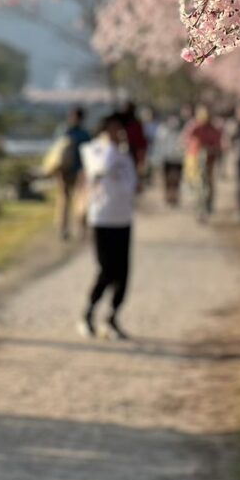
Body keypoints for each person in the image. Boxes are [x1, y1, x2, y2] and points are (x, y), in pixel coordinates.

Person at [78, 113, 137, 340]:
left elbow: (131, 185)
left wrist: (121, 151)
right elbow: (100, 168)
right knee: (106, 269)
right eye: (112, 129)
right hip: (101, 219)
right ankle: (88, 312)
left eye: (119, 130)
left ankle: (112, 317)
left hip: (123, 219)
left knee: (123, 272)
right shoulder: (93, 151)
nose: (116, 134)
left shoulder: (124, 157)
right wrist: (109, 146)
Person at [56, 106, 91, 241]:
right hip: (75, 171)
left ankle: (66, 229)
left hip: (69, 172)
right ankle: (78, 229)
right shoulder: (84, 134)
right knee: (78, 201)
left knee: (68, 201)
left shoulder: (64, 132)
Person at [183, 105, 222, 219]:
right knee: (196, 182)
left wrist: (212, 148)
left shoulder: (213, 128)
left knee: (208, 182)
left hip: (209, 160)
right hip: (195, 158)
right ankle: (197, 205)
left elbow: (217, 143)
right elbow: (186, 139)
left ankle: (208, 203)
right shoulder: (193, 127)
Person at [151, 113, 185, 206]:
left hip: (178, 160)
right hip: (167, 159)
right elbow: (158, 146)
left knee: (177, 179)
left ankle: (175, 197)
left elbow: (184, 145)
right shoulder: (162, 131)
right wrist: (157, 159)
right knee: (167, 180)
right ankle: (168, 197)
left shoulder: (181, 132)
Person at [121, 101, 148, 176]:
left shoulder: (136, 123)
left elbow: (140, 140)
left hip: (133, 151)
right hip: (124, 151)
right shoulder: (121, 123)